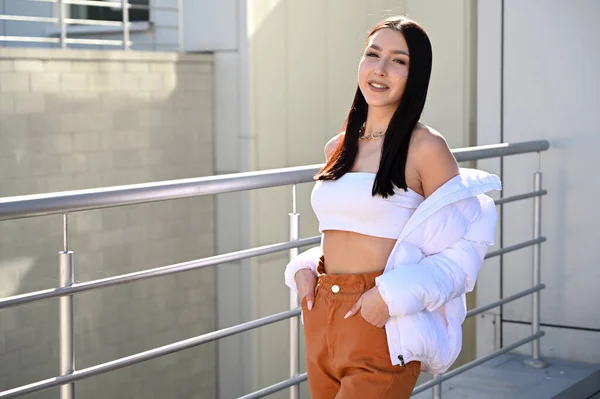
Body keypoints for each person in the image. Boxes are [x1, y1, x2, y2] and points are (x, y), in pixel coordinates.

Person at [283, 15, 501, 399]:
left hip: (383, 314)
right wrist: (304, 268)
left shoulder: (426, 148)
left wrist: (389, 296)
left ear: (415, 75)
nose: (380, 69)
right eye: (373, 54)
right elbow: (354, 229)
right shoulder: (337, 147)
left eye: (398, 61)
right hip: (323, 311)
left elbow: (462, 249)